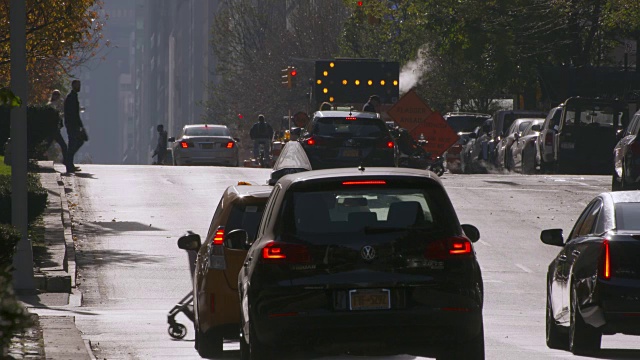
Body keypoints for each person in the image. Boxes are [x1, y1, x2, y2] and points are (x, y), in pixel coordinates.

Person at [64, 80, 86, 173]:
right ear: (73, 86)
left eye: (80, 85)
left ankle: (69, 163)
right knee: (74, 143)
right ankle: (68, 163)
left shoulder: (73, 96)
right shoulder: (71, 97)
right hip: (72, 125)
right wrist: (78, 125)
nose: (79, 87)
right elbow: (72, 113)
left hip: (74, 124)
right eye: (78, 85)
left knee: (77, 142)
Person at [46, 90, 68, 166]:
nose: (58, 97)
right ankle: (66, 161)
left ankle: (37, 155)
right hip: (53, 129)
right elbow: (55, 116)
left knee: (47, 144)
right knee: (63, 145)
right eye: (57, 95)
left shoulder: (55, 105)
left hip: (53, 129)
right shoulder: (52, 105)